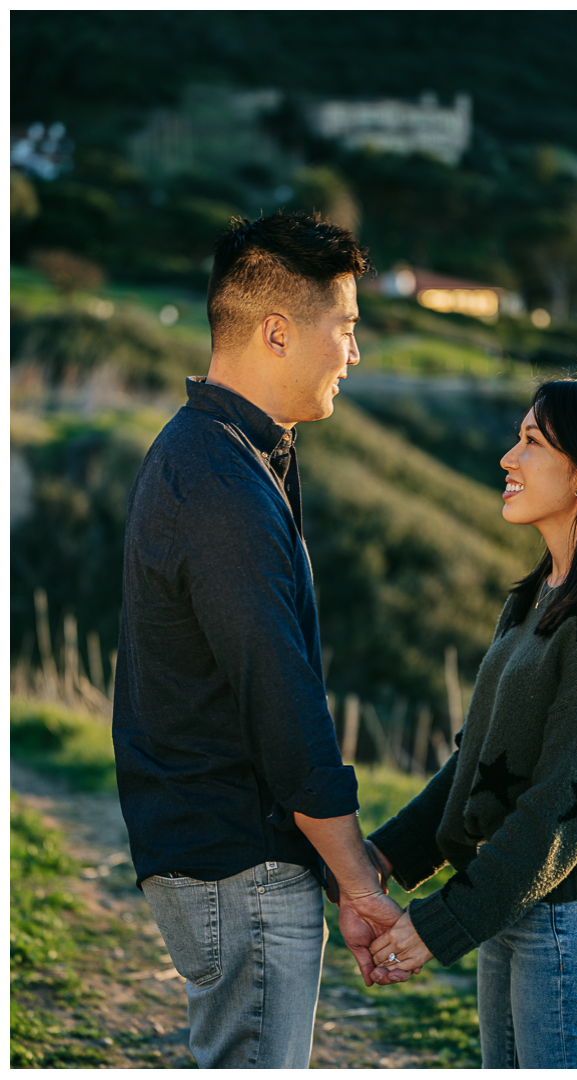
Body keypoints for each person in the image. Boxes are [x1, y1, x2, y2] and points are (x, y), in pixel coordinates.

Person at [112, 211, 409, 1070]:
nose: (354, 353)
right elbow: (281, 701)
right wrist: (356, 883)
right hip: (238, 867)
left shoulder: (230, 453)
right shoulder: (216, 480)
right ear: (277, 332)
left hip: (227, 860)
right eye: (345, 329)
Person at [365, 371, 577, 1069]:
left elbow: (563, 804)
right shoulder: (535, 601)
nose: (509, 458)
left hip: (571, 919)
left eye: (532, 442)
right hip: (513, 901)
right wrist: (380, 859)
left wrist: (440, 924)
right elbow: (477, 765)